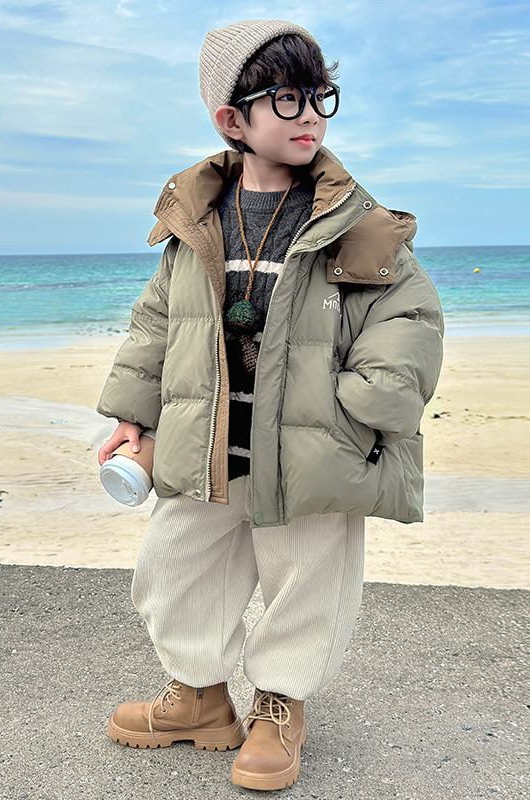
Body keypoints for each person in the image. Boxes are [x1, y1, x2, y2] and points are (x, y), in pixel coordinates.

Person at [96, 19, 443, 792]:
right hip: (209, 442)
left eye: (320, 96)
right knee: (174, 567)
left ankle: (280, 705)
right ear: (232, 118)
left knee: (307, 575)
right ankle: (200, 697)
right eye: (287, 99)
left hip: (311, 447)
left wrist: (355, 411)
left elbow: (409, 320)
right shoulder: (196, 217)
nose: (310, 114)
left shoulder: (358, 222)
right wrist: (132, 415)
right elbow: (158, 323)